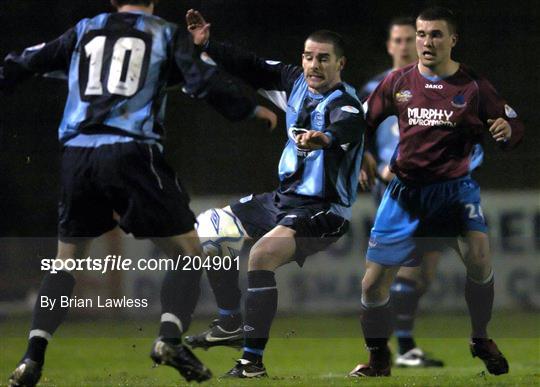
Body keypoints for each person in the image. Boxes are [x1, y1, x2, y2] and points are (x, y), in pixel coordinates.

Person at [1, 1, 278, 385]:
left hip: (77, 156)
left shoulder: (86, 29)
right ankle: (169, 340)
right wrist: (248, 108)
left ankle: (32, 357)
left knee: (66, 262)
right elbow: (200, 81)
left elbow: (29, 60)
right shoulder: (162, 32)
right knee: (190, 253)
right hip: (130, 152)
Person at [185, 9, 368, 378]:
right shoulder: (294, 82)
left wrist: (325, 138)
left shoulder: (346, 103)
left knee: (262, 255)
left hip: (325, 210)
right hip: (283, 200)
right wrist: (208, 45)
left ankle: (251, 363)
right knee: (208, 229)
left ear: (340, 63)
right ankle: (229, 321)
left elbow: (347, 125)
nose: (313, 65)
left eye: (323, 58)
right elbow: (250, 65)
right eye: (308, 56)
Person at [348, 6, 523, 378]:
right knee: (373, 284)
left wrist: (507, 131)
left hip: (454, 191)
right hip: (404, 192)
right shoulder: (397, 82)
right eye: (422, 34)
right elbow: (360, 121)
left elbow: (511, 121)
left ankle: (480, 338)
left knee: (479, 257)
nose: (427, 42)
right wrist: (363, 155)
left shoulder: (473, 86)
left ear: (452, 40)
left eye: (435, 34)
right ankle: (379, 356)